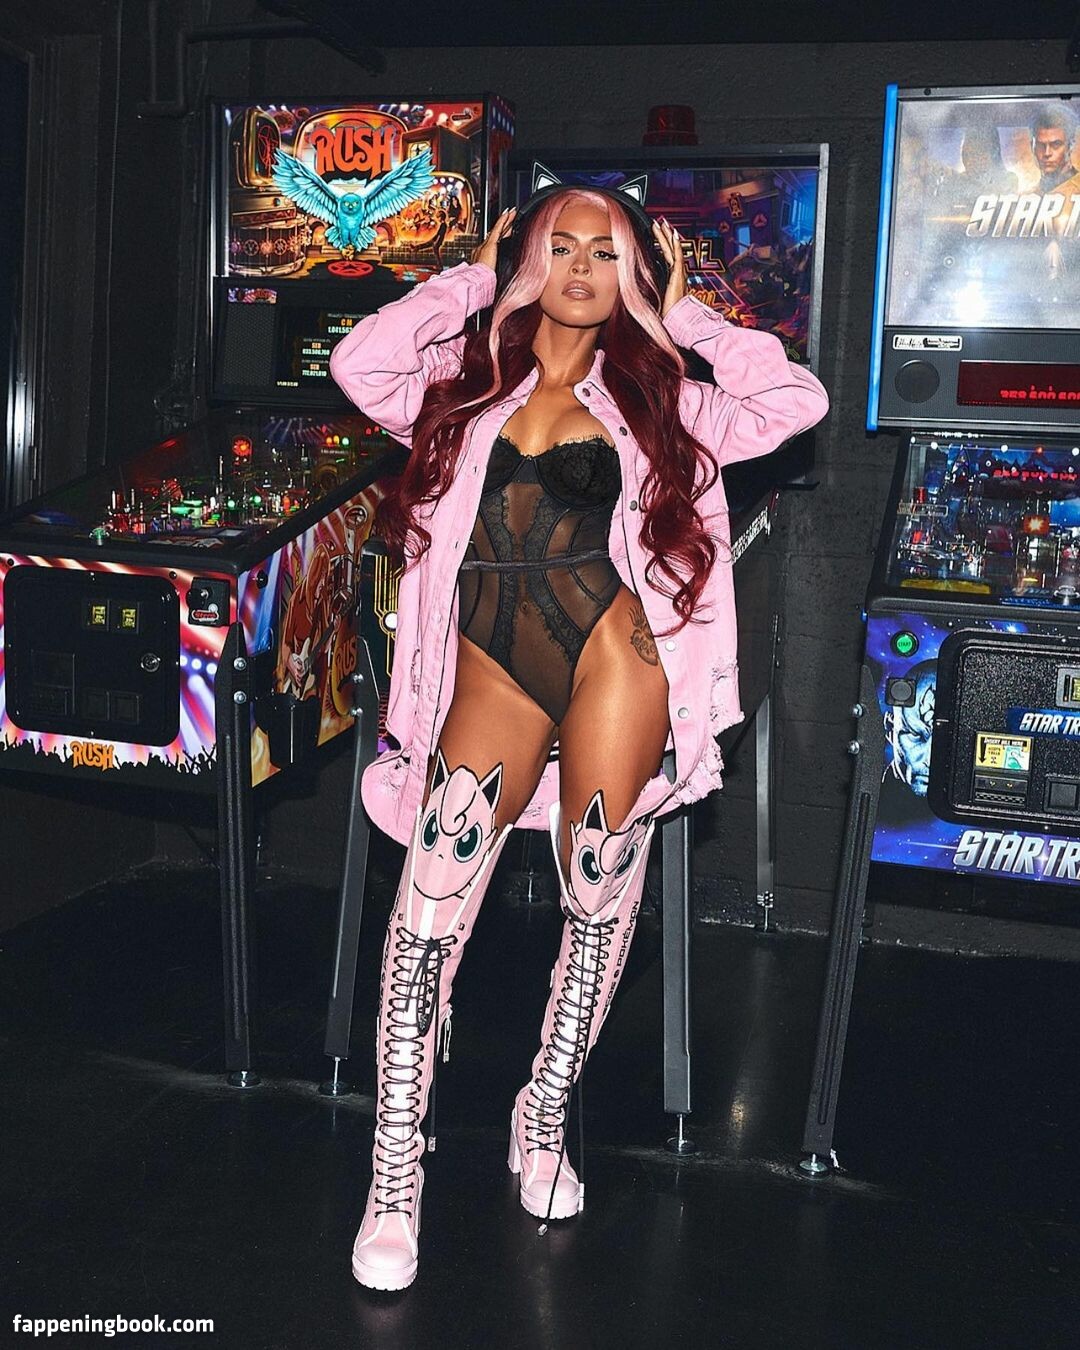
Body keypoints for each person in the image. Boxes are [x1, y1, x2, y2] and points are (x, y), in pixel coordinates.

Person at [329, 182, 829, 1291]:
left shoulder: (666, 402)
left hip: (618, 655)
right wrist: (469, 284)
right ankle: (395, 1168)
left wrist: (685, 316)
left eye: (608, 252)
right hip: (494, 662)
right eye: (562, 246)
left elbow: (793, 402)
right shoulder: (460, 387)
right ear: (528, 261)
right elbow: (359, 365)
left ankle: (545, 1112)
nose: (583, 268)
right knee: (430, 903)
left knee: (598, 888)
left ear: (632, 275)